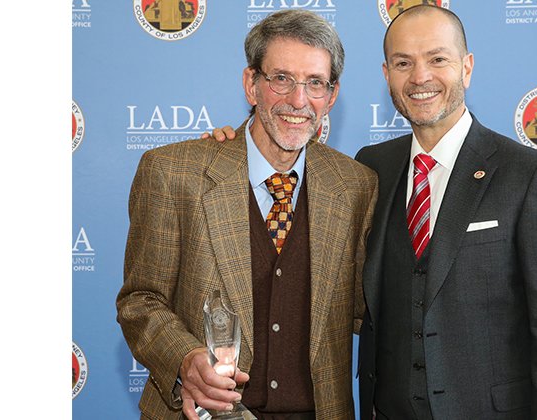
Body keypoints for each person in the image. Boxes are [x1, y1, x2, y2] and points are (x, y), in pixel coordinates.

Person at [209, 5, 537, 419]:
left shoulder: (528, 175)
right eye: (404, 63)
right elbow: (283, 148)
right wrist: (232, 150)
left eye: (437, 59)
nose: (420, 77)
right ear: (387, 75)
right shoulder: (370, 169)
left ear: (467, 67)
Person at [116, 9, 377, 420]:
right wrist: (185, 359)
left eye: (315, 83)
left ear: (332, 95)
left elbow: (373, 307)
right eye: (281, 79)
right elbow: (139, 301)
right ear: (251, 84)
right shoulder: (173, 172)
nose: (298, 100)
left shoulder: (357, 185)